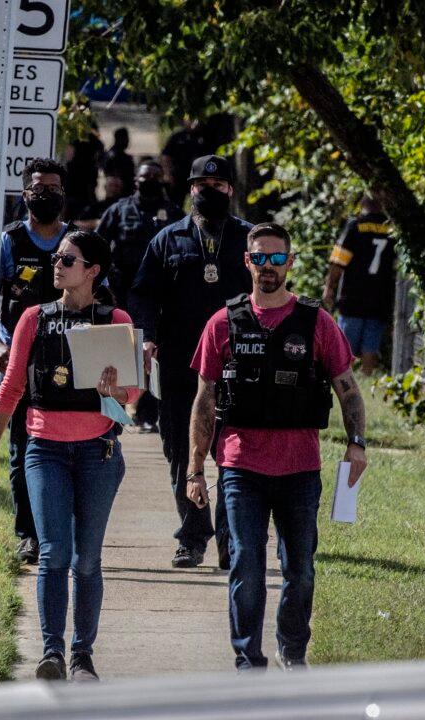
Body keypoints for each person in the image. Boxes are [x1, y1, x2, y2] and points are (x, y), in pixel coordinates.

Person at [187, 222, 367, 671]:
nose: (268, 266)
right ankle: (248, 657)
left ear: (289, 262)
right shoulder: (222, 323)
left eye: (276, 258)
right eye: (259, 258)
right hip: (240, 467)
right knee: (246, 567)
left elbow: (347, 388)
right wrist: (194, 468)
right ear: (247, 262)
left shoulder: (317, 323)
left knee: (300, 570)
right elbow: (205, 399)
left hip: (300, 469)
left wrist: (356, 445)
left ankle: (293, 648)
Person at [0, 229, 139, 682]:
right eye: (57, 258)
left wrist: (116, 391)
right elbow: (12, 386)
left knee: (86, 558)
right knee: (53, 553)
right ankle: (51, 653)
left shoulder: (115, 318)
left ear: (92, 271)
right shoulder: (34, 318)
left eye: (68, 260)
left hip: (99, 451)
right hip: (44, 450)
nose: (57, 265)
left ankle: (82, 656)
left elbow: (131, 398)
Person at [129, 154, 252, 569]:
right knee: (182, 453)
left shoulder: (249, 240)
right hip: (182, 366)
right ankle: (193, 537)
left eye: (219, 187)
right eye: (202, 186)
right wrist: (146, 338)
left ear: (231, 191)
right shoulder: (168, 239)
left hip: (241, 366)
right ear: (190, 189)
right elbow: (143, 294)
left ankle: (229, 542)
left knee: (233, 456)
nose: (210, 192)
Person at [0, 158, 71, 566]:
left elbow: (104, 300)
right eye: (39, 188)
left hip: (67, 363)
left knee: (69, 447)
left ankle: (60, 530)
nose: (47, 195)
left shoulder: (74, 245)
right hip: (20, 362)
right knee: (23, 448)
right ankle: (28, 533)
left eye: (54, 188)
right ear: (24, 194)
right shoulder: (9, 242)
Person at [97, 161, 183, 432]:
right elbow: (97, 245)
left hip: (159, 297)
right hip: (122, 295)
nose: (151, 181)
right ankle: (115, 410)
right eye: (146, 177)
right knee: (119, 353)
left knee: (153, 355)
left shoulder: (172, 213)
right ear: (136, 180)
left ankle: (149, 413)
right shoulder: (120, 211)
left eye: (156, 177)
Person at [321, 196, 397, 376]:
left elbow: (338, 263)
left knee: (345, 342)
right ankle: (367, 375)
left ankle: (342, 377)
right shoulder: (391, 229)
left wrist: (329, 288)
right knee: (371, 343)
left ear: (362, 205)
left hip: (353, 296)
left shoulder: (355, 226)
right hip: (380, 297)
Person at [161, 120, 205, 205]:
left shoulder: (203, 138)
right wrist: (168, 174)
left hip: (197, 178)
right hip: (178, 178)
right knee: (175, 205)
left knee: (201, 204)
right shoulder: (177, 137)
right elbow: (166, 156)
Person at [100, 128, 136, 197]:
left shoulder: (109, 154)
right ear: (120, 139)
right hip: (120, 194)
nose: (128, 141)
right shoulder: (118, 157)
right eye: (126, 138)